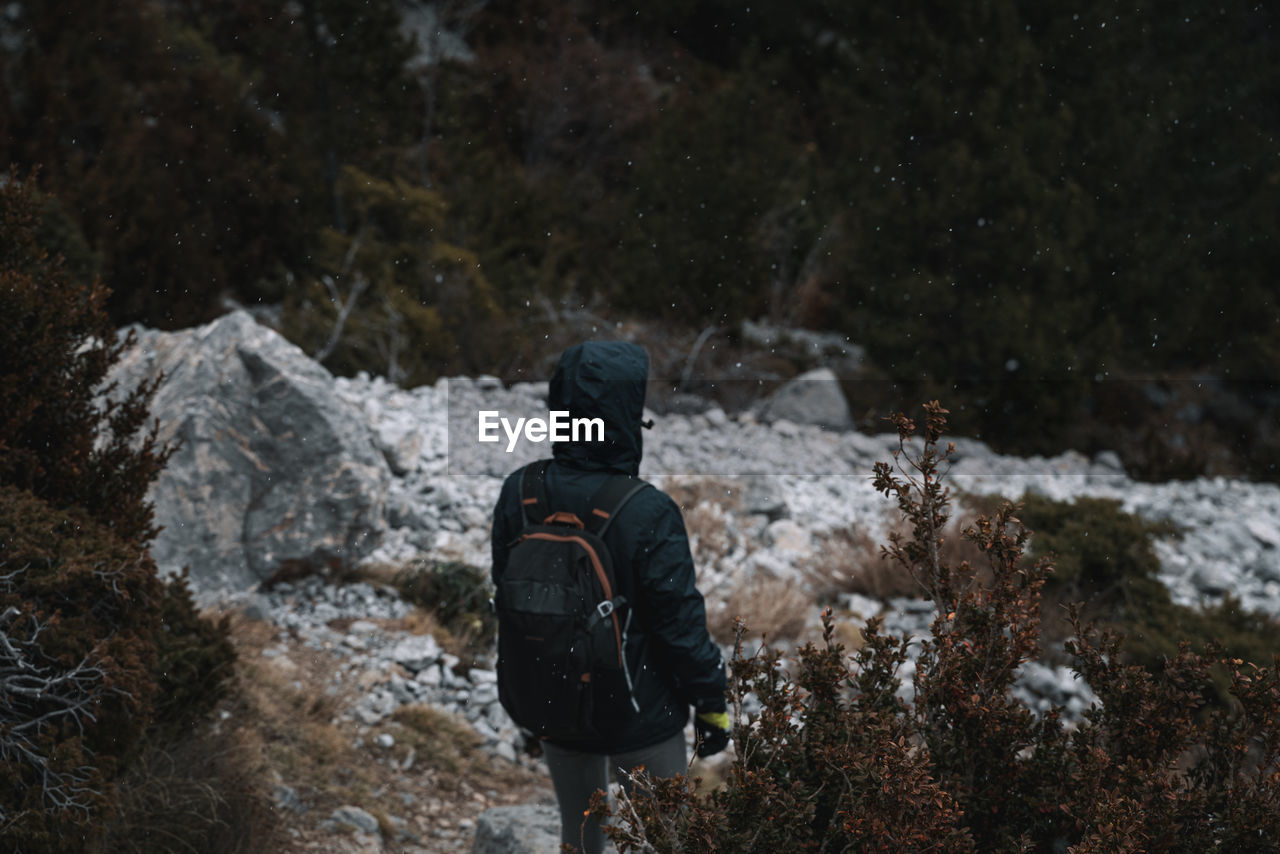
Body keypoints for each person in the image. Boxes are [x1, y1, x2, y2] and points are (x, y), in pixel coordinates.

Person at [490, 340, 729, 854]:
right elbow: (679, 628)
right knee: (668, 841)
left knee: (578, 838)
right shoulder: (647, 510)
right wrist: (713, 707)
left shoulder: (520, 491)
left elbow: (505, 599)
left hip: (553, 703)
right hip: (637, 715)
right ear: (626, 416)